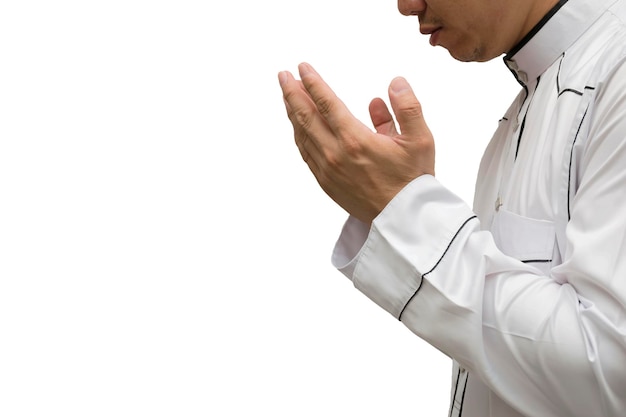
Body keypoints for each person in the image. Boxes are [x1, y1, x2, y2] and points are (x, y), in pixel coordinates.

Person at [278, 0, 626, 415]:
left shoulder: (616, 74)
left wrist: (406, 211)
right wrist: (399, 200)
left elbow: (609, 368)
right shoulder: (526, 110)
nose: (407, 6)